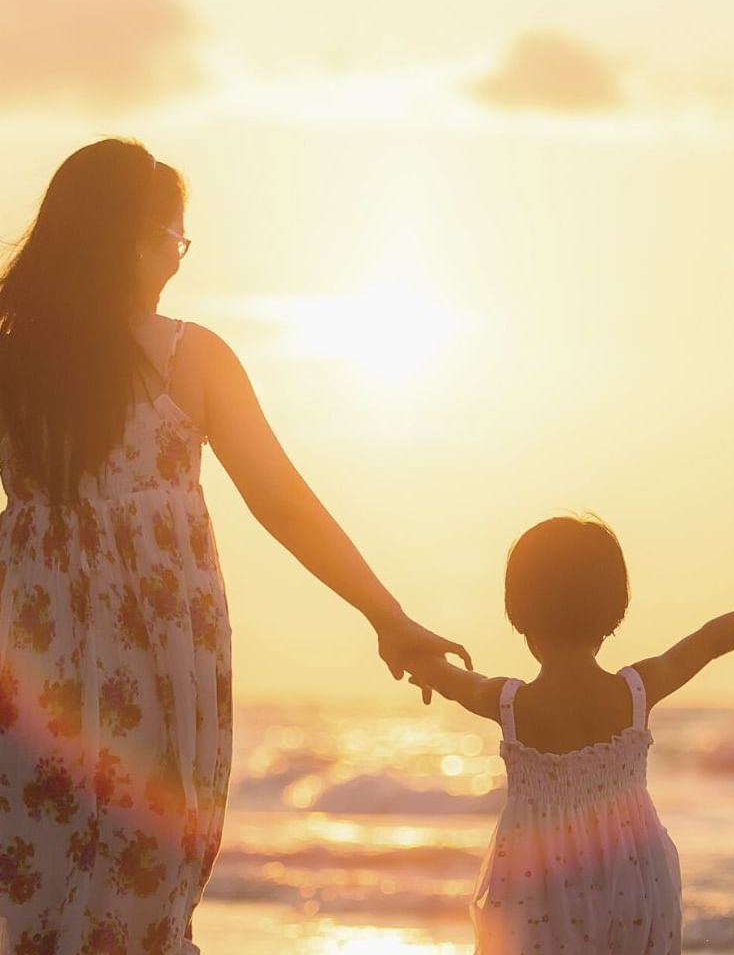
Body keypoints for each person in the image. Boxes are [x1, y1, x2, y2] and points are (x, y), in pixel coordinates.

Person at [0, 138, 470, 954]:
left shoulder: (12, 359)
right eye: (176, 239)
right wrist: (386, 615)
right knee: (143, 893)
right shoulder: (191, 356)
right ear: (135, 239)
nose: (179, 260)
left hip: (26, 654)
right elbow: (280, 501)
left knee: (38, 892)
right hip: (157, 657)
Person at [407, 514, 734, 954]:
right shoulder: (635, 691)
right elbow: (710, 640)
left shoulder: (510, 703)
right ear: (612, 610)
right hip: (635, 879)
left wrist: (420, 662)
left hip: (538, 887)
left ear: (520, 612)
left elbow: (446, 677)